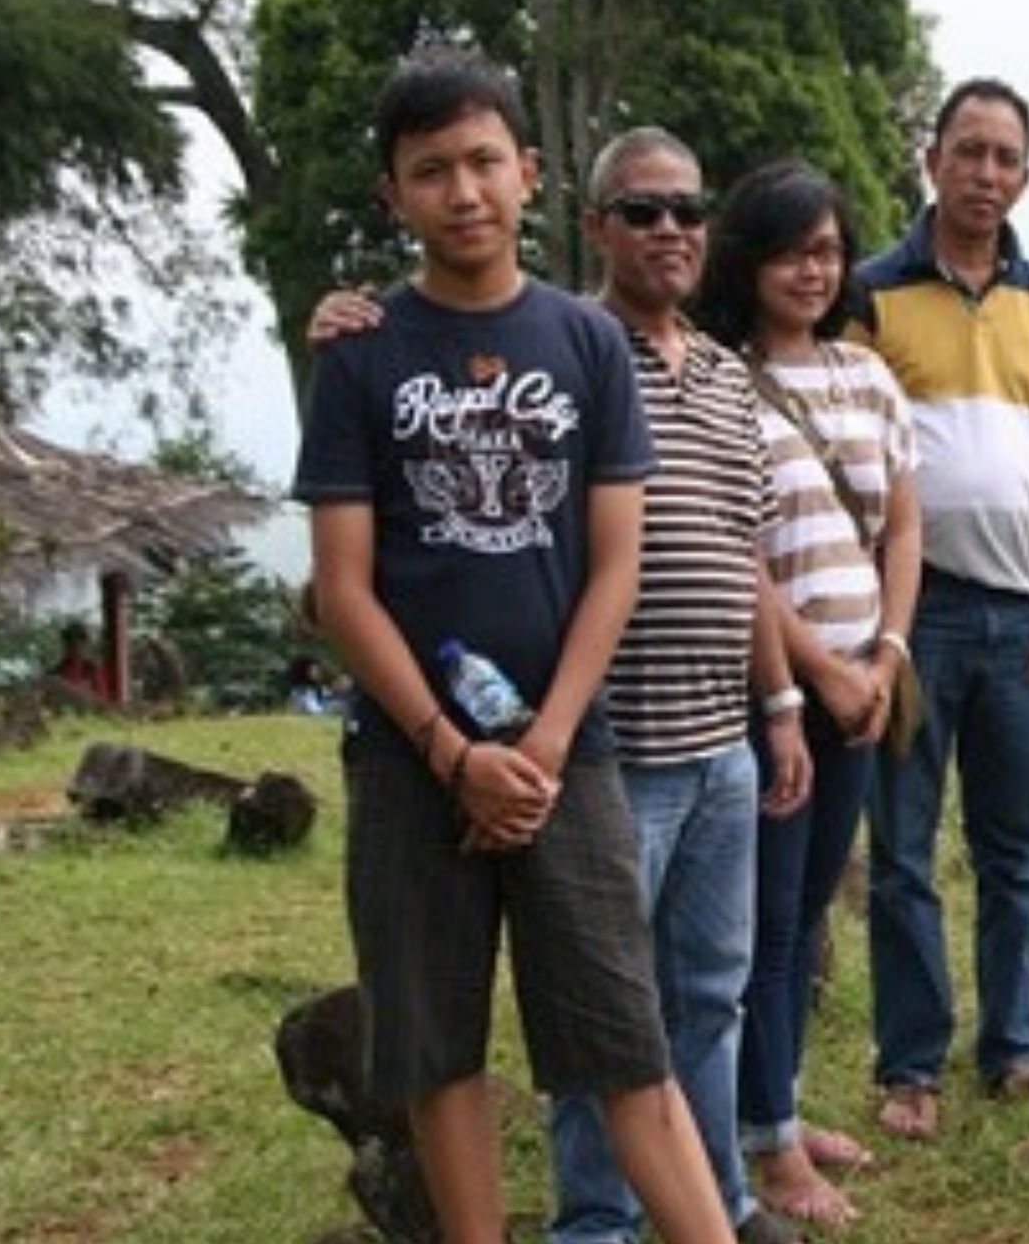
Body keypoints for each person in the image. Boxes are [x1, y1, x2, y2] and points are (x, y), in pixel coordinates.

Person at [310, 125, 805, 1244]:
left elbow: (618, 559)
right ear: (393, 192)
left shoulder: (585, 345)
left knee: (625, 1037)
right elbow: (342, 590)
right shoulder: (359, 354)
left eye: (483, 163)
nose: (463, 192)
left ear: (526, 171)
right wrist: (452, 751)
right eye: (430, 171)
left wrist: (543, 743)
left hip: (572, 755)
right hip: (407, 760)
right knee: (439, 1048)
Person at [851, 78, 1029, 1140]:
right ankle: (910, 1065)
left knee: (1015, 849)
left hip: (1020, 620)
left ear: (1026, 176)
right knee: (903, 849)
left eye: (1006, 158)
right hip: (912, 620)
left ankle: (1013, 1049)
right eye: (970, 152)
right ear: (933, 161)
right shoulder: (869, 293)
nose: (986, 175)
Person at [694, 160, 923, 1229]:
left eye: (828, 250)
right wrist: (817, 673)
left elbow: (904, 528)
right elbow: (736, 553)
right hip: (773, 692)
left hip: (864, 688)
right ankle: (768, 1150)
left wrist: (882, 652)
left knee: (811, 903)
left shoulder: (869, 378)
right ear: (747, 261)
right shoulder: (720, 383)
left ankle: (774, 1112)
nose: (812, 268)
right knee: (768, 922)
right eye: (790, 250)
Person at [49, 621, 114, 704]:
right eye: (69, 642)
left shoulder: (93, 670)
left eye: (78, 642)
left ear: (85, 644)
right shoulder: (56, 672)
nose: (73, 647)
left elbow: (102, 701)